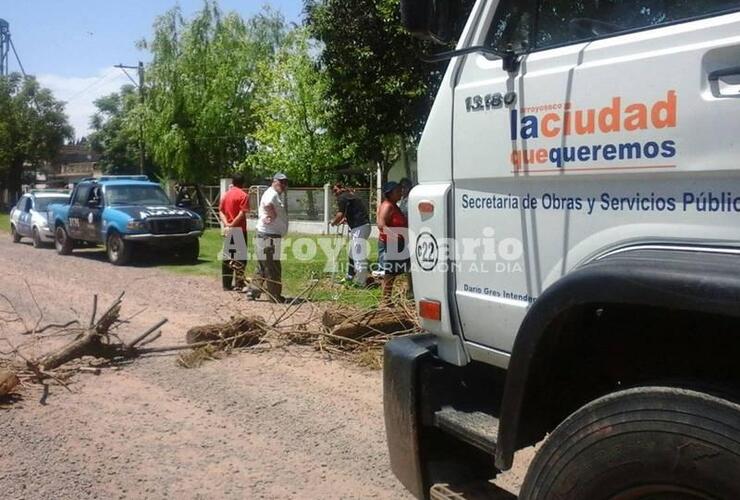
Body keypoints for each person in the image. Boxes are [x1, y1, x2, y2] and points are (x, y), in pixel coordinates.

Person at [247, 173, 289, 303]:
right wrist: (272, 215)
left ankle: (252, 292)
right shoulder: (272, 194)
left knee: (263, 264)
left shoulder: (271, 193)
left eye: (285, 183)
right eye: (280, 182)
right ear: (274, 181)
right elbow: (268, 204)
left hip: (265, 234)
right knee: (273, 266)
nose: (283, 185)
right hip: (269, 235)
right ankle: (274, 296)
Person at [331, 183, 371, 286]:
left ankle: (361, 282)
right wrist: (346, 219)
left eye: (336, 190)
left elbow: (340, 214)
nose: (335, 193)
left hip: (359, 227)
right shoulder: (351, 195)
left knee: (358, 254)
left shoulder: (342, 197)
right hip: (362, 226)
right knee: (352, 253)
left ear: (341, 188)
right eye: (333, 192)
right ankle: (350, 275)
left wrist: (333, 222)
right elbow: (352, 211)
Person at [377, 181, 410, 305]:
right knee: (390, 273)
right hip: (391, 244)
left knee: (403, 269)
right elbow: (381, 225)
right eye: (397, 191)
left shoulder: (394, 205)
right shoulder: (388, 206)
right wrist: (395, 236)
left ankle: (406, 294)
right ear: (390, 193)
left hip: (399, 244)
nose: (400, 193)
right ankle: (385, 300)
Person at [219, 173, 249, 291]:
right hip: (239, 229)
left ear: (233, 181)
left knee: (228, 256)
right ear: (243, 183)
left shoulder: (226, 194)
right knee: (241, 258)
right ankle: (239, 283)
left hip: (229, 230)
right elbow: (242, 213)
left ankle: (226, 284)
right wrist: (232, 224)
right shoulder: (243, 195)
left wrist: (227, 224)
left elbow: (220, 211)